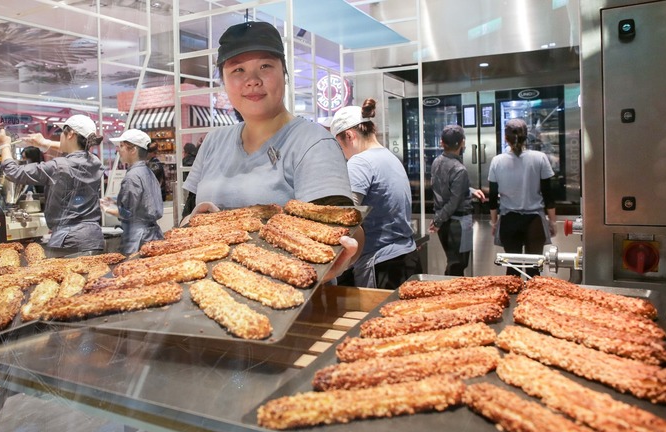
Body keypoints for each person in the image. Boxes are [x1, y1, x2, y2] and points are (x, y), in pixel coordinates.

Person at [181, 21, 361, 280]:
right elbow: (190, 216)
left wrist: (346, 255)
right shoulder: (213, 142)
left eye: (265, 66)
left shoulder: (311, 142)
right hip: (207, 291)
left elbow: (344, 227)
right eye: (238, 70)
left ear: (284, 73)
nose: (252, 81)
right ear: (224, 81)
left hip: (289, 297)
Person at [330, 99, 420, 289]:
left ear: (349, 135)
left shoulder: (360, 162)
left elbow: (346, 218)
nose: (342, 153)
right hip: (405, 256)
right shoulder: (390, 157)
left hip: (381, 263)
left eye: (339, 146)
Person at [0, 115, 105, 252]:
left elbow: (13, 172)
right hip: (94, 237)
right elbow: (78, 152)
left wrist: (4, 145)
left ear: (70, 134)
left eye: (62, 133)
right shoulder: (96, 162)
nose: (60, 137)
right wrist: (45, 143)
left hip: (68, 240)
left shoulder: (57, 166)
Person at [488, 118, 557, 278]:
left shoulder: (497, 161)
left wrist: (494, 222)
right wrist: (552, 222)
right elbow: (548, 195)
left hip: (508, 221)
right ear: (527, 136)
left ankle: (512, 300)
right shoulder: (540, 158)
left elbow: (492, 198)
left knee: (512, 271)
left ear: (506, 138)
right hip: (534, 222)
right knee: (534, 271)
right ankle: (533, 302)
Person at [101, 129, 164, 254]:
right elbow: (142, 202)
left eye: (122, 146)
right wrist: (114, 201)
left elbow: (127, 213)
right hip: (153, 235)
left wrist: (107, 209)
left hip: (137, 240)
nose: (118, 151)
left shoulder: (132, 176)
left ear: (133, 150)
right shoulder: (147, 172)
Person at [429, 124, 475, 276]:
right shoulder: (459, 169)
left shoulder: (436, 162)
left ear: (442, 142)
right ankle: (450, 296)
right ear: (462, 142)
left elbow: (445, 191)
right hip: (459, 224)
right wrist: (438, 221)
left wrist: (438, 219)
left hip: (445, 223)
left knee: (453, 262)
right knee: (458, 265)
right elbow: (454, 202)